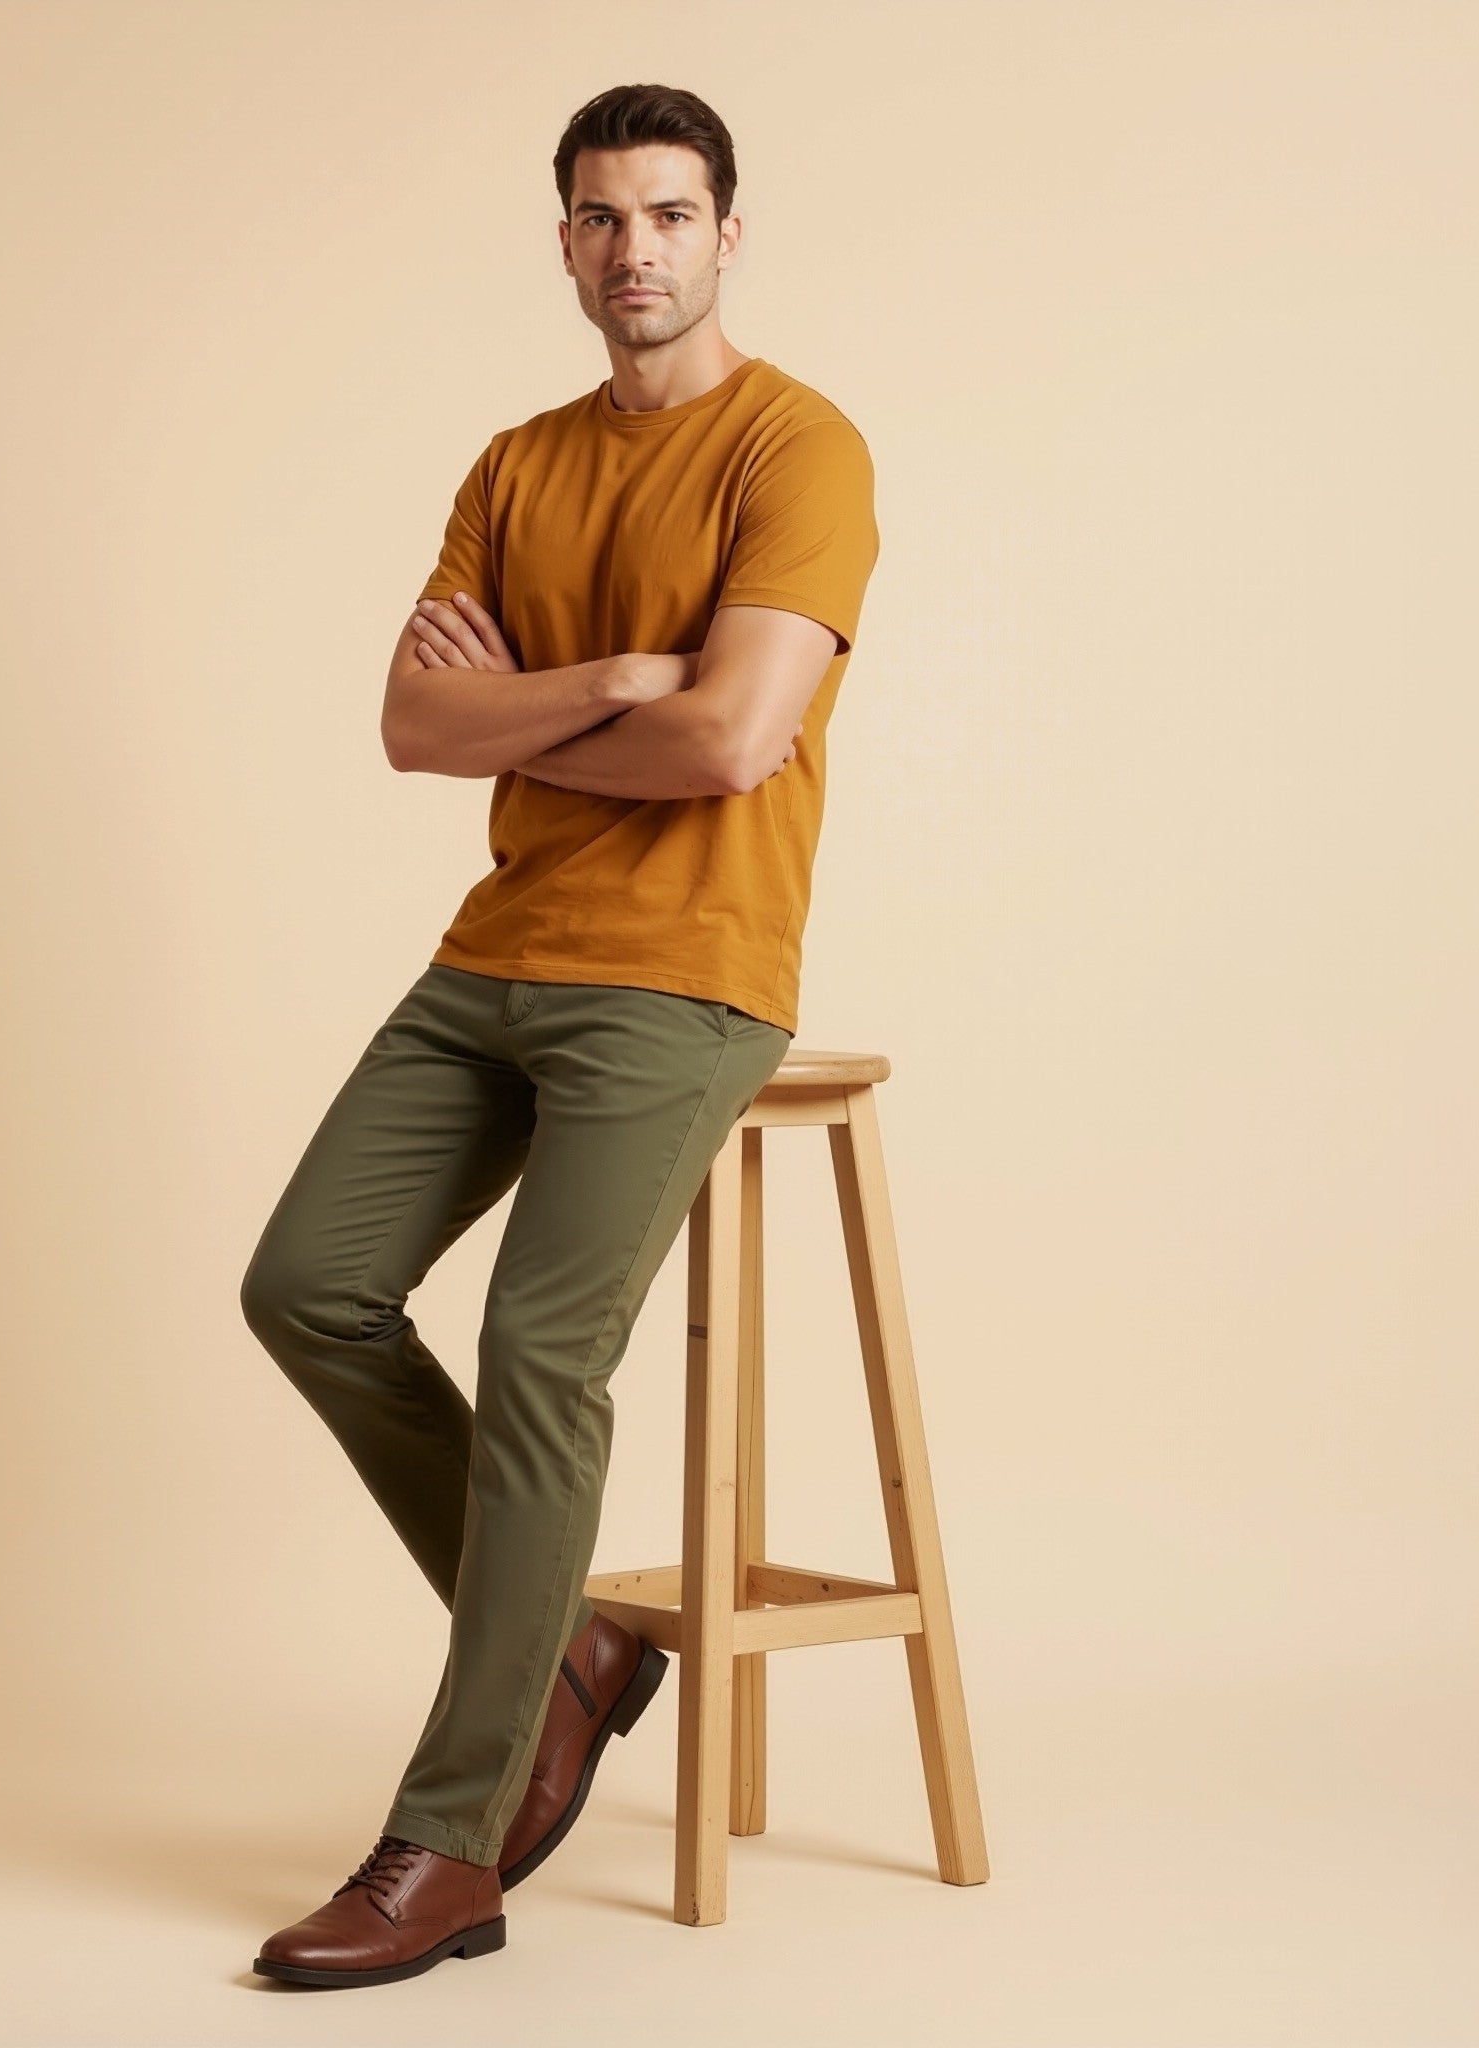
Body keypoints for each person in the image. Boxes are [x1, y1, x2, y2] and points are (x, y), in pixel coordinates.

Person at [240, 79, 880, 1989]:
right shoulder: (516, 464)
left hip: (690, 969)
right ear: (568, 241)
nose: (635, 252)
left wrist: (524, 705)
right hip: (497, 952)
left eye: (670, 216)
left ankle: (450, 1843)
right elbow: (412, 731)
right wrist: (606, 676)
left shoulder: (801, 446)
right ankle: (587, 1650)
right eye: (602, 220)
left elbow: (738, 738)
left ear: (728, 231)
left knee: (539, 1346)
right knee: (306, 1286)